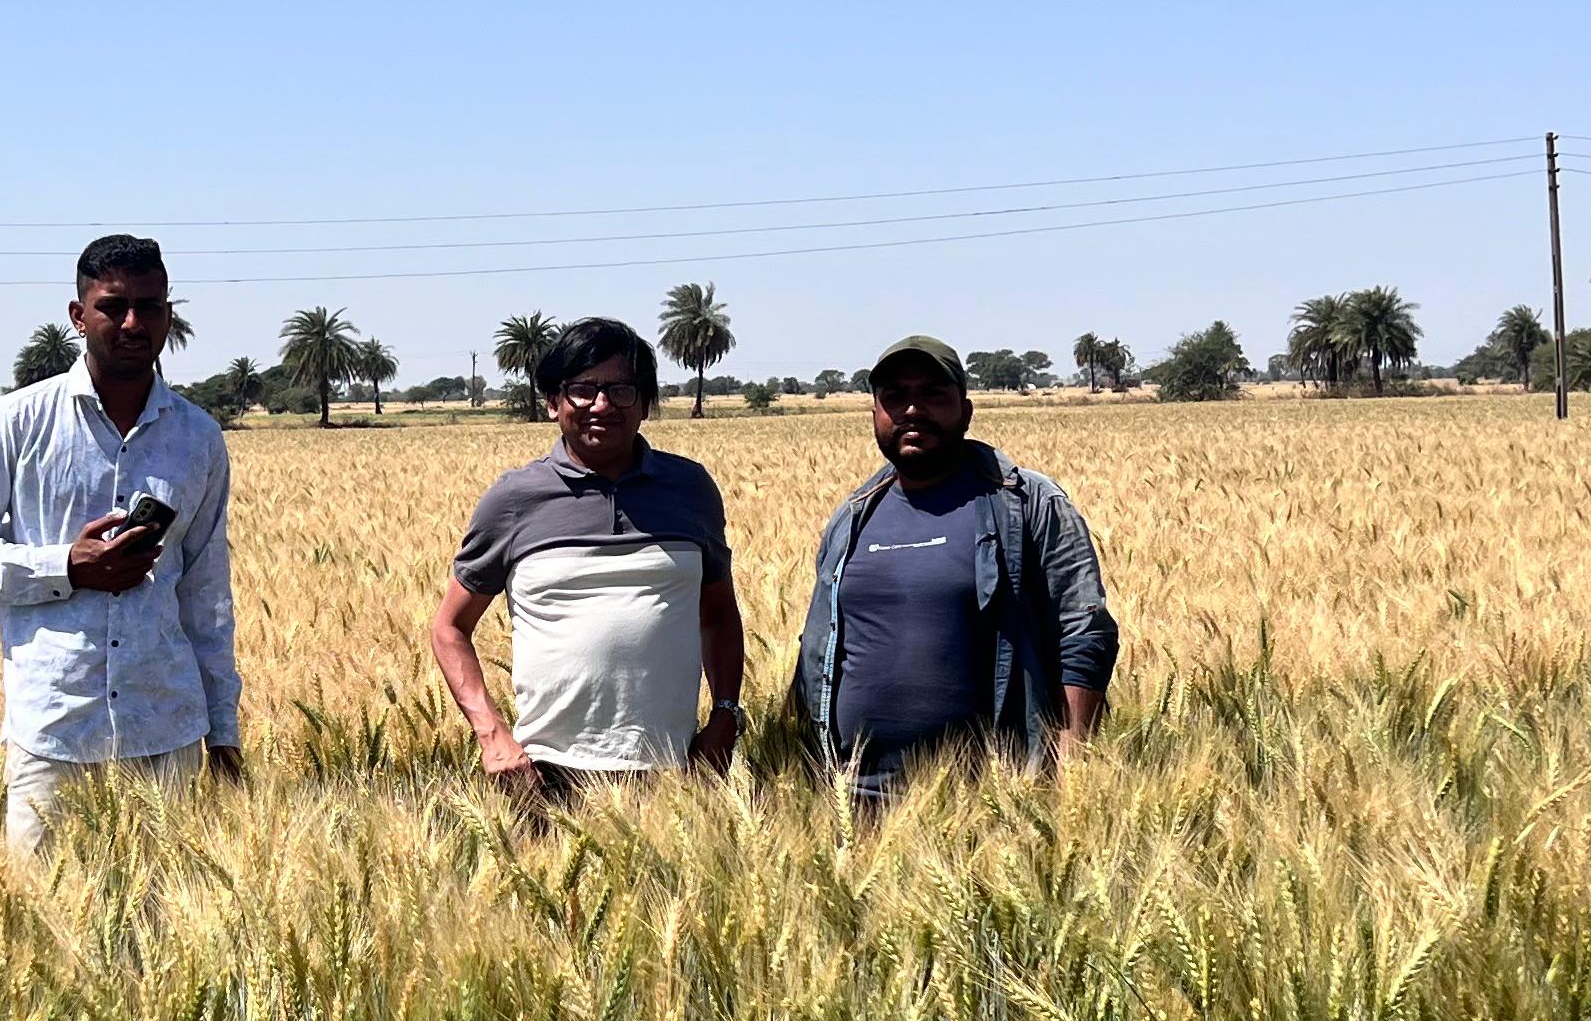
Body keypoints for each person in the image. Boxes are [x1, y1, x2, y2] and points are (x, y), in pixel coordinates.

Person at [0, 234, 242, 854]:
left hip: (167, 730)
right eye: (113, 306)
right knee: (44, 907)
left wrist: (224, 730)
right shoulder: (17, 420)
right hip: (55, 730)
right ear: (78, 315)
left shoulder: (198, 436)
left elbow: (207, 593)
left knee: (169, 910)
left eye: (149, 307)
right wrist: (66, 566)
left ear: (168, 315)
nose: (132, 323)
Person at [430, 315, 742, 803]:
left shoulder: (690, 490)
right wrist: (491, 735)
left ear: (645, 403)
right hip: (545, 777)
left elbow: (719, 613)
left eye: (621, 390)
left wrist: (726, 714)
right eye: (582, 390)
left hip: (675, 775)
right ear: (553, 402)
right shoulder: (515, 499)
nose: (601, 405)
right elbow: (449, 627)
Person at [790, 333, 1117, 800]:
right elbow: (819, 647)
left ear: (965, 411)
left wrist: (1070, 770)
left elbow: (1084, 632)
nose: (912, 409)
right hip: (854, 800)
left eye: (932, 393)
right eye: (894, 396)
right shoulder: (852, 516)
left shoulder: (1028, 503)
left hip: (991, 800)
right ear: (875, 413)